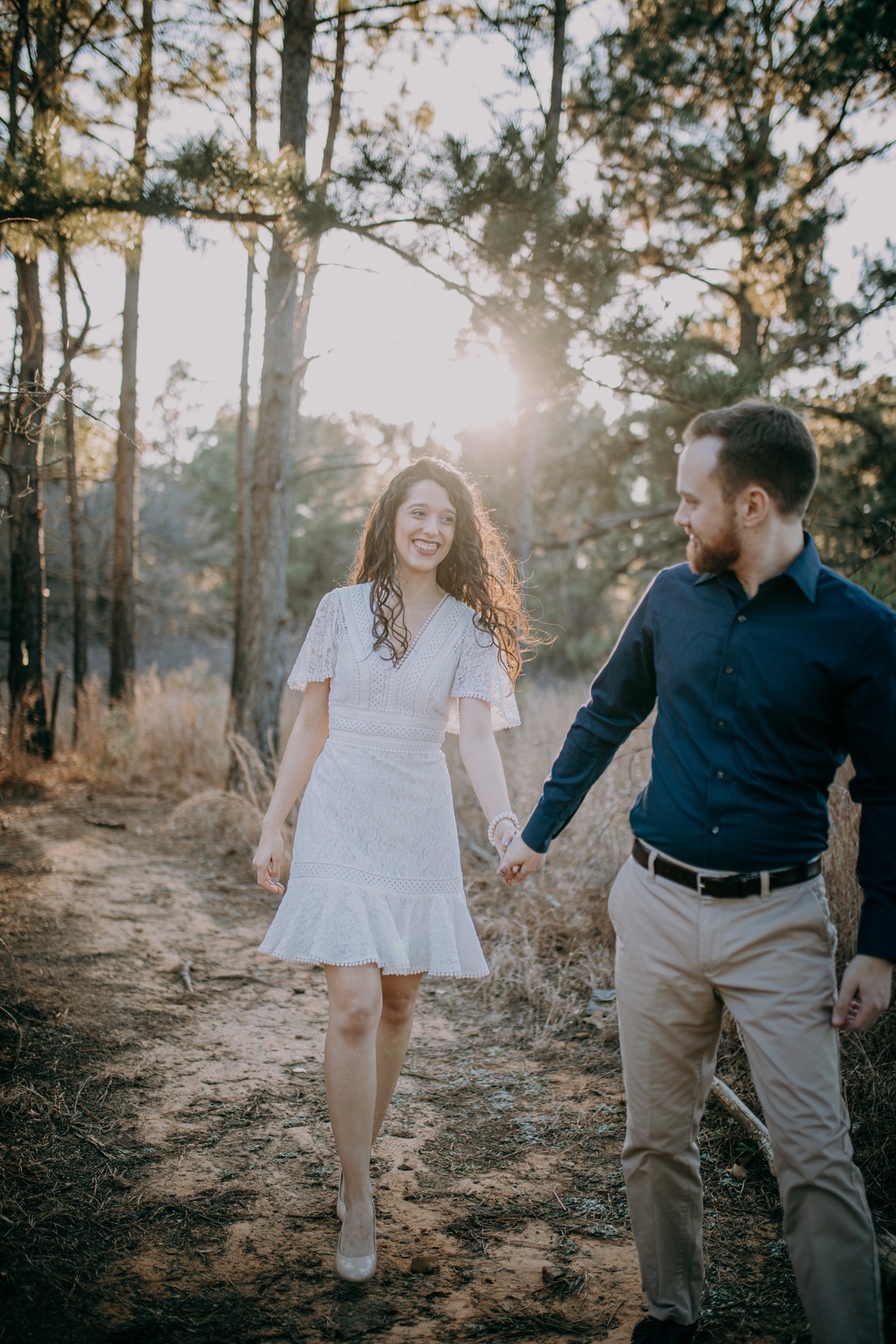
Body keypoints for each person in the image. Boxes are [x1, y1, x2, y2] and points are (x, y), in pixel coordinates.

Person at [500, 400, 894, 1344]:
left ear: (752, 503)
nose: (679, 518)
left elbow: (892, 792)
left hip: (780, 925)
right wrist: (538, 831)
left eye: (690, 499)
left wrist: (881, 947)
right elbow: (604, 713)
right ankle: (671, 1318)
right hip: (656, 908)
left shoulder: (864, 631)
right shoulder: (670, 598)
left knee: (817, 1160)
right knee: (654, 1139)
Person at [253, 458, 524, 1283]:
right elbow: (310, 725)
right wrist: (275, 823)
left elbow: (474, 738)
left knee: (401, 998)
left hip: (416, 811)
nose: (430, 528)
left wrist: (506, 823)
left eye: (446, 517)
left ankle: (351, 1156)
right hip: (341, 805)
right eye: (417, 512)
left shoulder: (470, 628)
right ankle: (361, 1194)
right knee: (355, 1004)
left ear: (458, 534)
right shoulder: (340, 610)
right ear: (391, 521)